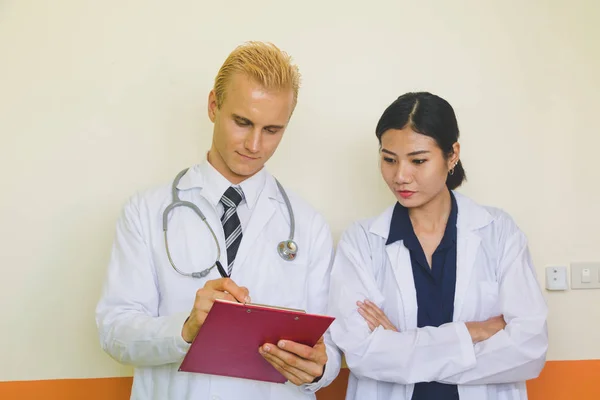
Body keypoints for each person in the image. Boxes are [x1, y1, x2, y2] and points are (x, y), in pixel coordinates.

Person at [95, 41, 341, 400]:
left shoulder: (309, 226)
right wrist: (187, 328)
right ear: (214, 106)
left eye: (272, 130)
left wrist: (319, 368)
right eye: (242, 122)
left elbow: (329, 350)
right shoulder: (144, 212)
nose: (255, 144)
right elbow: (113, 332)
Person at [327, 92, 548, 400]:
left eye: (418, 160)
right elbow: (362, 354)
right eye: (389, 159)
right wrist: (473, 333)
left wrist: (403, 346)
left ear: (452, 154)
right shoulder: (362, 241)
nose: (401, 176)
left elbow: (529, 348)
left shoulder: (498, 232)